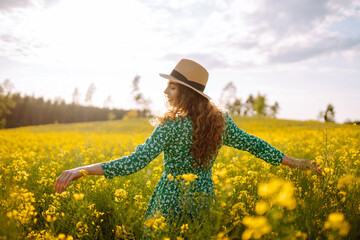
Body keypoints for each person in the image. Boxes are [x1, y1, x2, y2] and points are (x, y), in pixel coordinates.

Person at [54, 59, 322, 235]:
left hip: (169, 200)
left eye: (172, 87)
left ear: (187, 92)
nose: (165, 92)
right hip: (203, 199)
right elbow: (256, 145)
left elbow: (133, 163)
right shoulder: (219, 122)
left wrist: (82, 169)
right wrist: (297, 163)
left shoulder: (170, 126)